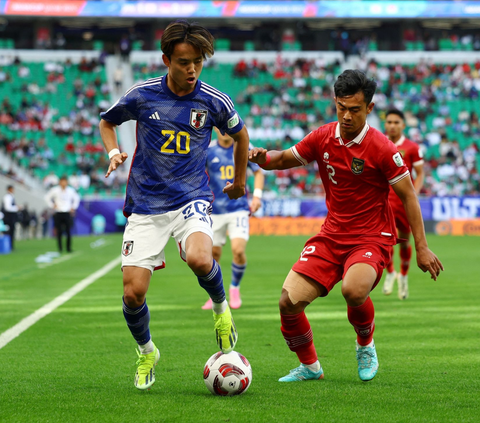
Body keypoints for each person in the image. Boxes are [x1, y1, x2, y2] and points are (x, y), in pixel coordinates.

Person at [249, 69, 443, 383]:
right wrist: (263, 158)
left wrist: (421, 247)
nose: (347, 116)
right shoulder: (323, 136)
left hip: (371, 237)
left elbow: (409, 196)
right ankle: (310, 367)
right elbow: (284, 158)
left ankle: (365, 344)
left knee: (354, 291)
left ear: (369, 108)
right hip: (331, 235)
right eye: (341, 108)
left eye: (354, 109)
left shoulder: (382, 149)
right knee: (288, 302)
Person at [98, 20, 250, 391]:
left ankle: (220, 309)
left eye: (197, 61)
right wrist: (115, 151)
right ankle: (147, 350)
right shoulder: (143, 94)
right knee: (133, 293)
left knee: (200, 257)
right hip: (146, 205)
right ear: (166, 59)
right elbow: (107, 121)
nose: (192, 69)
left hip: (190, 198)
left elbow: (242, 136)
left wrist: (241, 181)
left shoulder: (214, 100)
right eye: (184, 62)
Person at [201, 127, 265, 310]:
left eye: (226, 127)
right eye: (219, 127)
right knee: (213, 255)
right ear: (214, 128)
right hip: (214, 210)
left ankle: (234, 288)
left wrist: (257, 196)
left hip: (238, 208)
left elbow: (258, 171)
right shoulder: (208, 149)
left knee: (238, 250)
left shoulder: (243, 145)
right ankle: (215, 295)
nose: (224, 131)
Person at [382, 109, 425, 300]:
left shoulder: (412, 147)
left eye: (396, 122)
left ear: (403, 125)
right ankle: (390, 273)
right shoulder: (379, 144)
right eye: (389, 122)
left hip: (404, 204)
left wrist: (413, 194)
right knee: (385, 242)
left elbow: (420, 173)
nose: (392, 125)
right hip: (384, 203)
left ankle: (404, 277)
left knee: (405, 242)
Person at [44, 175, 80, 253]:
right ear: (60, 182)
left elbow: (77, 198)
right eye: (62, 181)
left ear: (67, 182)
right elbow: (47, 197)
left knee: (68, 231)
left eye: (65, 181)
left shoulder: (71, 190)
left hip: (67, 213)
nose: (63, 183)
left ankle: (68, 248)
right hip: (58, 212)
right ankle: (60, 248)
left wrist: (73, 207)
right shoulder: (55, 190)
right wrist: (52, 205)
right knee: (59, 231)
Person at [1, 185, 19, 250]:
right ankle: (8, 246)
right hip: (8, 218)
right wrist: (17, 208)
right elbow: (8, 208)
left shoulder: (11, 197)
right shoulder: (7, 197)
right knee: (8, 232)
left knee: (11, 232)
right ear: (9, 189)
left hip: (10, 218)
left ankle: (10, 246)